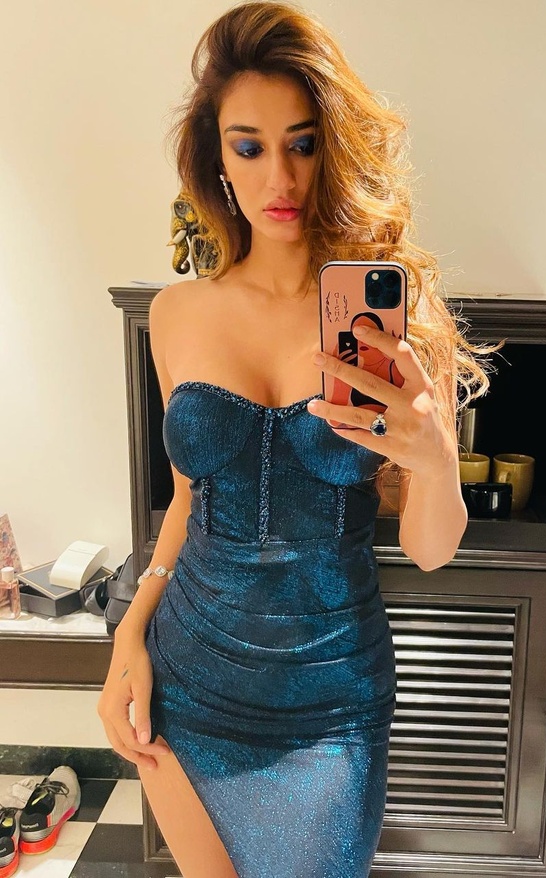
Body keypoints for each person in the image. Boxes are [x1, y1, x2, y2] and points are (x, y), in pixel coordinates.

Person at [97, 3, 496, 876]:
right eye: (249, 146)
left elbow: (431, 551)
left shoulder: (392, 316)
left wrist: (435, 464)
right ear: (217, 160)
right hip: (189, 673)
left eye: (303, 143)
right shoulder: (177, 313)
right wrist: (129, 637)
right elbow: (187, 499)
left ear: (332, 148)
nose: (279, 175)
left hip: (330, 706)